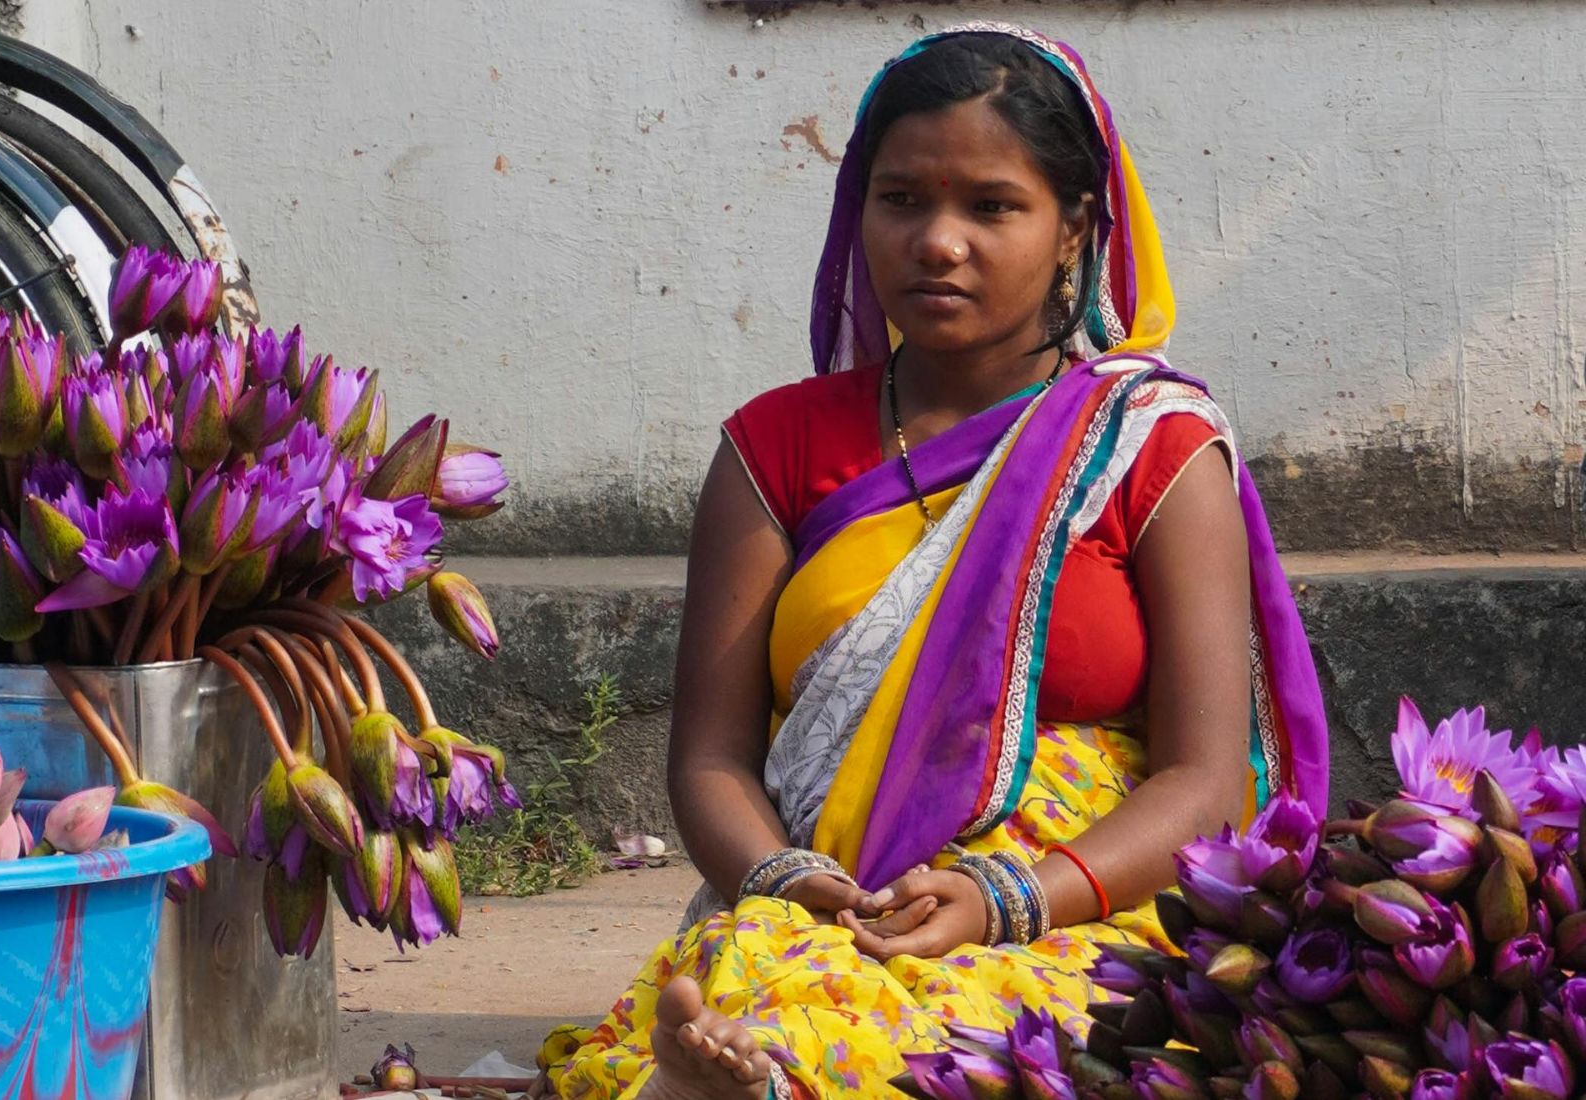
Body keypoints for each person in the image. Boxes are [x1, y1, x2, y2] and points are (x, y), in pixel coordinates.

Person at [533, 21, 1327, 1100]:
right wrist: (784, 878)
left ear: (1073, 229)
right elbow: (711, 757)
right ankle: (741, 1069)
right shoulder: (778, 445)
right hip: (836, 893)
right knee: (780, 979)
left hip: (1084, 895)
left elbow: (1207, 779)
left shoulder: (1149, 442)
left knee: (1011, 1037)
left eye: (991, 206)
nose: (937, 240)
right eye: (901, 199)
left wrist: (1013, 895)